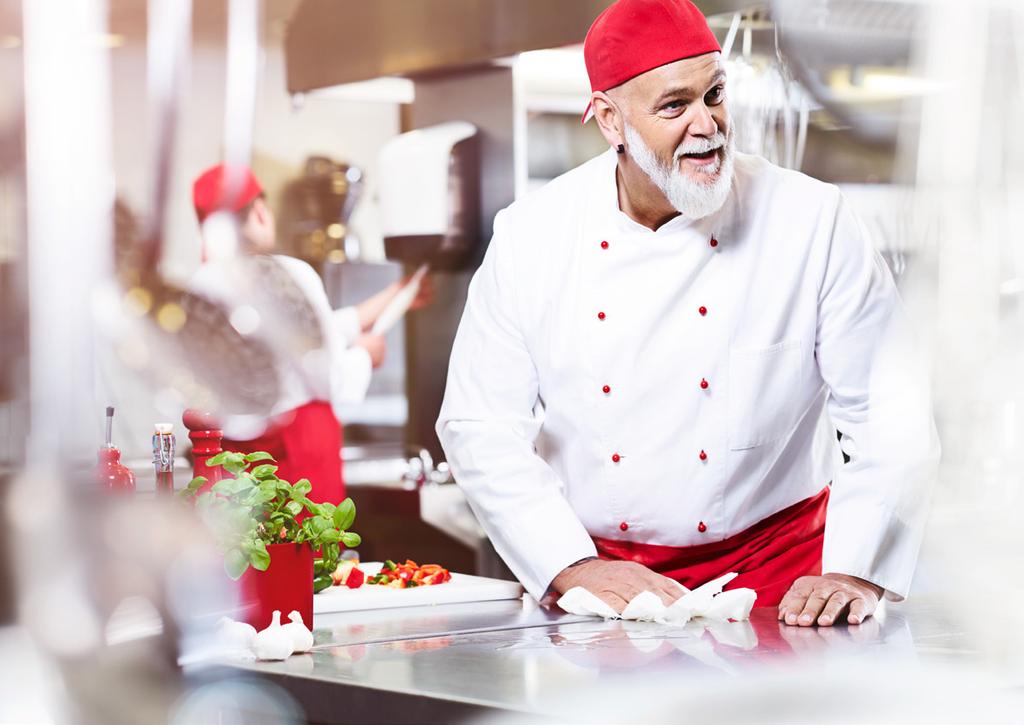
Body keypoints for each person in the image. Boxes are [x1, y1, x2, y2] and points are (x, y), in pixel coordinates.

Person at [436, 0, 939, 628]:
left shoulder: (812, 220)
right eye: (674, 106)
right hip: (607, 587)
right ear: (610, 121)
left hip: (787, 583)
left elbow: (891, 409)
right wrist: (569, 566)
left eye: (715, 94)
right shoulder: (532, 237)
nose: (708, 125)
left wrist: (855, 570)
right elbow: (479, 423)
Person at [191, 163, 430, 503]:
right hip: (294, 463)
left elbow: (308, 334)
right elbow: (330, 379)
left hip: (233, 469)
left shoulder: (200, 286)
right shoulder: (290, 274)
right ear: (259, 211)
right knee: (304, 552)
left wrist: (395, 295)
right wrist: (364, 354)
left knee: (249, 554)